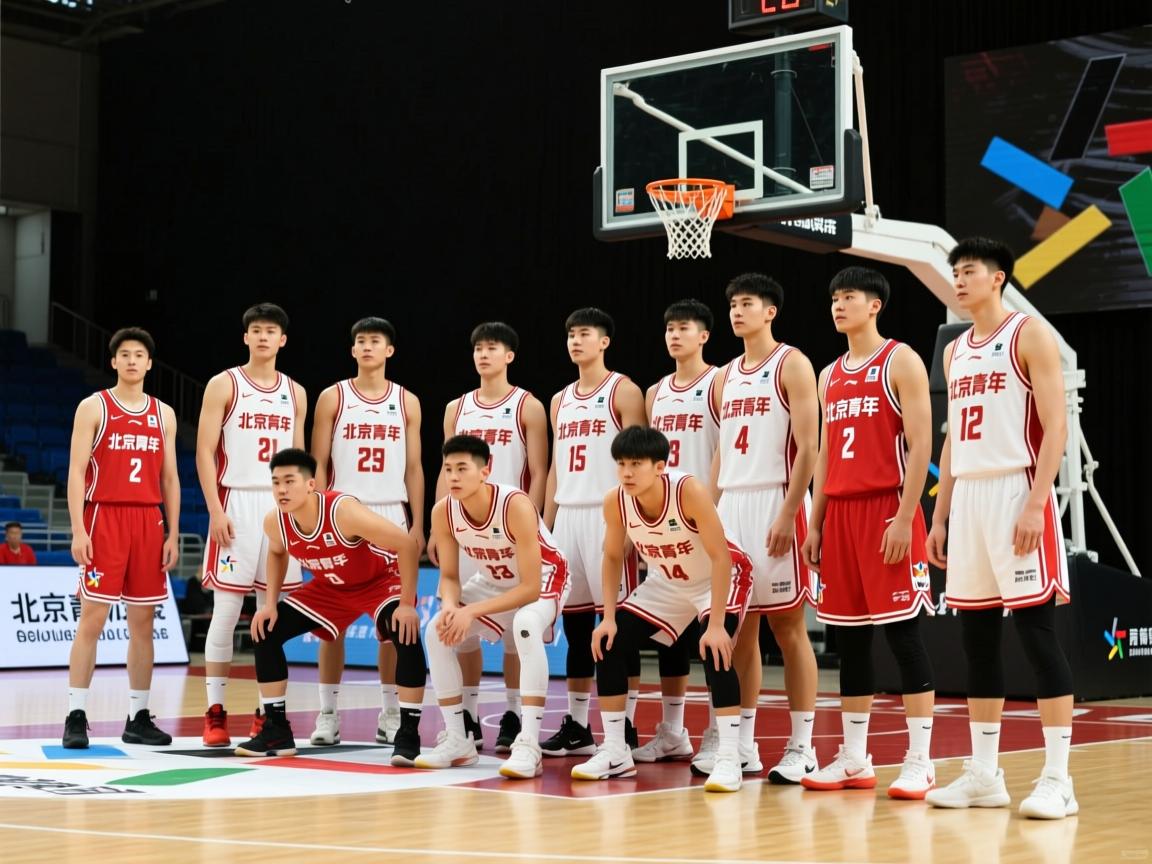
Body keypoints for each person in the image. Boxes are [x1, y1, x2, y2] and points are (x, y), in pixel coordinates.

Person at [925, 237, 1076, 819]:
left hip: (1017, 488)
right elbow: (952, 439)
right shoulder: (954, 351)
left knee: (1036, 636)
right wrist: (940, 515)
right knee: (978, 640)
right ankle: (985, 774)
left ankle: (1059, 779)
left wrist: (1036, 503)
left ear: (998, 278)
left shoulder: (1028, 334)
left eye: (969, 271)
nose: (959, 281)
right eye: (955, 272)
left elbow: (1056, 427)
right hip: (968, 500)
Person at [799, 266, 937, 799]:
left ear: (875, 304)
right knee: (850, 641)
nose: (838, 305)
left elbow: (921, 444)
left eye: (849, 296)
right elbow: (825, 454)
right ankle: (854, 757)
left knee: (903, 635)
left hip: (887, 509)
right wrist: (816, 522)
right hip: (840, 514)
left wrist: (905, 516)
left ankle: (921, 761)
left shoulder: (900, 360)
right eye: (834, 297)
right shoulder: (829, 374)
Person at [574, 426, 753, 792]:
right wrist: (608, 618)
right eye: (621, 464)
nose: (626, 472)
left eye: (635, 464)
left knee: (714, 648)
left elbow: (721, 558)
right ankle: (615, 751)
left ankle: (729, 756)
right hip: (668, 581)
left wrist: (716, 624)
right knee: (609, 642)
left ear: (659, 466)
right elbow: (611, 557)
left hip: (719, 577)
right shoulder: (615, 500)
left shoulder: (688, 491)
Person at [700, 272, 820, 783]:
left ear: (770, 311)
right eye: (732, 304)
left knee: (788, 628)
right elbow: (721, 452)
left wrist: (790, 512)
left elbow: (810, 446)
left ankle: (802, 746)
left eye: (746, 303)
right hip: (733, 504)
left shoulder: (792, 363)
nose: (736, 311)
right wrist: (707, 514)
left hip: (776, 498)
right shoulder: (724, 376)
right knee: (738, 629)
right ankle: (742, 744)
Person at [235, 448, 426, 764]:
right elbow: (277, 553)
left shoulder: (342, 511)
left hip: (378, 581)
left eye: (290, 481)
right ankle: (277, 730)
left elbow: (406, 544)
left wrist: (406, 603)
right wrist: (269, 603)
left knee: (404, 631)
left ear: (311, 485)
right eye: (276, 482)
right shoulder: (275, 521)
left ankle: (407, 733)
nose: (282, 489)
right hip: (331, 588)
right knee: (265, 630)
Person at [426, 321, 549, 753]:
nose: (483, 354)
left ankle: (514, 715)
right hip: (467, 527)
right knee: (457, 624)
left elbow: (539, 470)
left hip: (511, 524)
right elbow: (447, 469)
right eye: (478, 348)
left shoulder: (528, 406)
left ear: (509, 356)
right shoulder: (456, 407)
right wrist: (438, 526)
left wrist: (532, 521)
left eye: (492, 348)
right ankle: (469, 717)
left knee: (519, 629)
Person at [416, 435, 568, 778]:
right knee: (436, 631)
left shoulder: (514, 504)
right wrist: (451, 605)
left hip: (546, 576)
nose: (453, 477)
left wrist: (471, 611)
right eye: (448, 469)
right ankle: (458, 739)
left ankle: (528, 744)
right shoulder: (443, 511)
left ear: (485, 471)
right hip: (492, 580)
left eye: (462, 469)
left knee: (525, 626)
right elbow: (449, 576)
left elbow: (530, 587)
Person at [307, 317, 424, 747]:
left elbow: (414, 467)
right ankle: (328, 714)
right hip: (341, 513)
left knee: (391, 623)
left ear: (389, 350)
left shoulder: (406, 401)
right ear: (353, 350)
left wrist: (418, 523)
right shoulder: (333, 397)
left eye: (375, 341)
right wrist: (318, 514)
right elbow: (318, 462)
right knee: (330, 623)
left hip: (390, 512)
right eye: (361, 341)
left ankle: (390, 712)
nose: (368, 347)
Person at [62, 327, 180, 749]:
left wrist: (173, 532)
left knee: (143, 623)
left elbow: (170, 478)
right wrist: (78, 528)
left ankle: (138, 716)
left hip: (148, 521)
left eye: (139, 355)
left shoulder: (164, 414)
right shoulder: (94, 406)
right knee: (92, 619)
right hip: (104, 517)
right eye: (125, 354)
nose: (132, 360)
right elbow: (76, 471)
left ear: (149, 364)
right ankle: (76, 715)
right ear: (113, 361)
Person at [196, 303, 307, 747]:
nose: (263, 337)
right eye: (256, 330)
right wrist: (214, 509)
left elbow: (299, 463)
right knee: (226, 613)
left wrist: (301, 515)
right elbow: (205, 451)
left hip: (281, 509)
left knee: (271, 615)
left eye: (271, 331)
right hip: (237, 503)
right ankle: (215, 713)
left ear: (283, 340)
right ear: (245, 337)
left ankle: (267, 715)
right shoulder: (224, 384)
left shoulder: (295, 392)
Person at [541, 307, 646, 757]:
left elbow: (641, 462)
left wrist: (635, 522)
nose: (575, 341)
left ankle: (627, 727)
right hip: (567, 515)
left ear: (604, 341)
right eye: (570, 334)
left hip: (609, 515)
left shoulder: (623, 390)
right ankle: (579, 725)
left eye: (584, 334)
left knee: (616, 625)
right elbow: (554, 468)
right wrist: (546, 527)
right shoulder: (559, 399)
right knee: (576, 624)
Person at [634, 299, 721, 763]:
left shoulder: (720, 382)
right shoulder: (655, 393)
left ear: (703, 335)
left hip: (705, 518)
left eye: (683, 327)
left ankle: (719, 731)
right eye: (669, 328)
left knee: (715, 632)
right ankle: (672, 730)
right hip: (665, 525)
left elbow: (727, 448)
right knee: (670, 633)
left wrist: (715, 511)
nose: (674, 335)